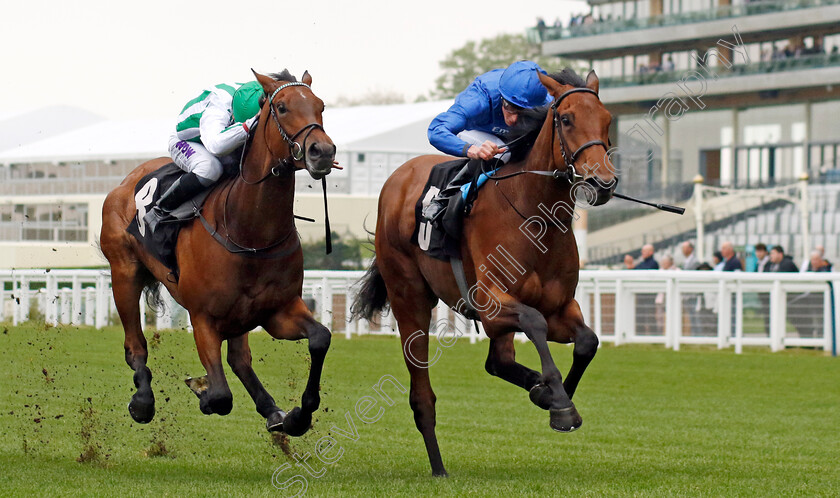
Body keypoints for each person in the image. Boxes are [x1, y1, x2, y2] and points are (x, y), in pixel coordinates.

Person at [422, 60, 555, 224]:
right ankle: (444, 197)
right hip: (475, 131)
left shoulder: (546, 101)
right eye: (509, 107)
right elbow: (436, 130)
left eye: (523, 112)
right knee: (504, 153)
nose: (513, 119)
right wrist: (473, 150)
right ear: (501, 97)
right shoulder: (479, 99)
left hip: (509, 137)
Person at [143, 80, 263, 234]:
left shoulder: (253, 93)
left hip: (219, 135)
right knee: (210, 169)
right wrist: (248, 125)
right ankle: (160, 210)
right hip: (188, 141)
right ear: (233, 112)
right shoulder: (217, 110)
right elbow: (216, 146)